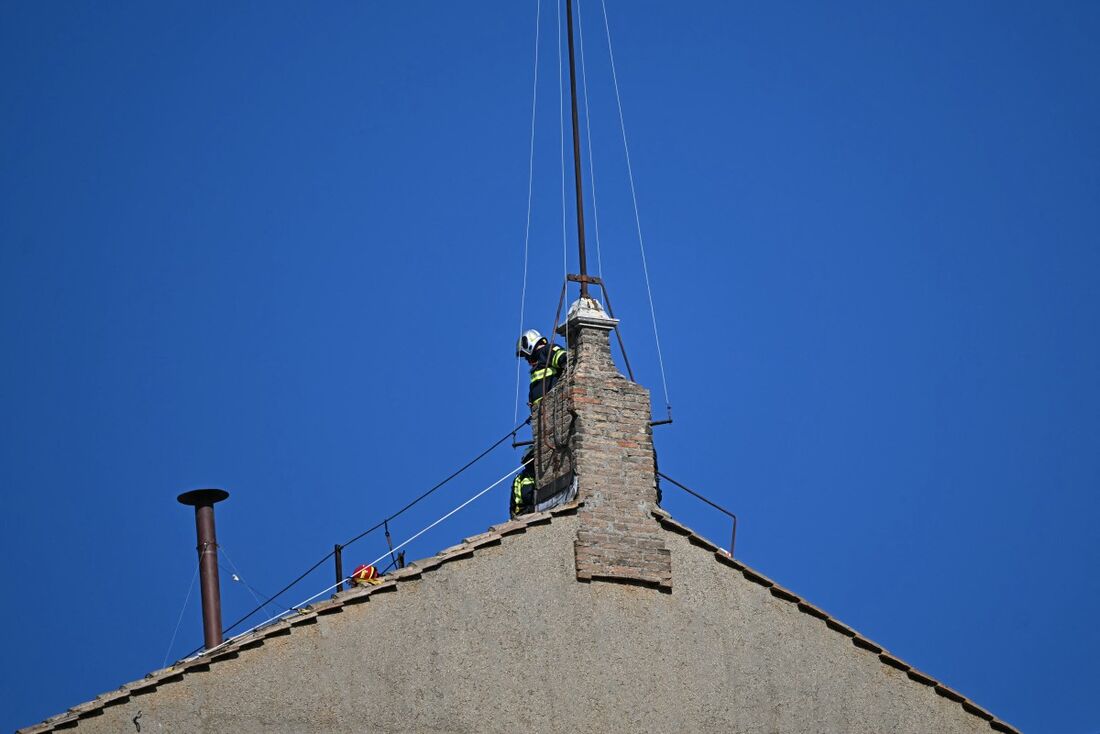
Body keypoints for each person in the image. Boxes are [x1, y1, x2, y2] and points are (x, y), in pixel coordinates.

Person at [510, 445, 577, 518]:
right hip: (525, 511)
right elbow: (527, 496)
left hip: (519, 513)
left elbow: (513, 504)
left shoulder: (520, 477)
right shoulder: (526, 477)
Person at [516, 329, 567, 408]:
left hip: (554, 405)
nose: (526, 358)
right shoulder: (538, 364)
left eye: (525, 354)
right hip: (541, 411)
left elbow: (563, 358)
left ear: (528, 344)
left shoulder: (547, 350)